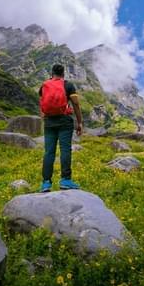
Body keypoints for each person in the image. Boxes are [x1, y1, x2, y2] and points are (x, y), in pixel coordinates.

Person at [38, 63, 84, 192]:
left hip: (49, 122)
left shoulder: (44, 85)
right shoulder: (68, 85)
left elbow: (41, 103)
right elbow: (75, 103)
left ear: (51, 74)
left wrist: (44, 118)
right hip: (64, 121)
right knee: (65, 150)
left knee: (49, 152)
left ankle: (46, 183)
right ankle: (65, 180)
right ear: (63, 74)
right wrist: (79, 122)